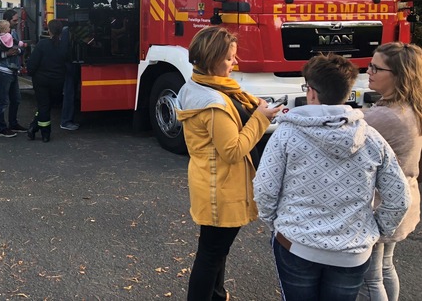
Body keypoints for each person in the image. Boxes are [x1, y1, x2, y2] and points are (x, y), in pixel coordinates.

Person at [254, 53, 410, 301]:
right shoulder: (371, 138)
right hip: (352, 252)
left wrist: (276, 223)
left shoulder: (286, 134)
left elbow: (265, 188)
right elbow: (399, 198)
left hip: (296, 243)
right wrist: (375, 230)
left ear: (312, 92)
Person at [175, 26, 280, 301]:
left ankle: (217, 296)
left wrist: (255, 108)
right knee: (211, 254)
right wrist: (261, 118)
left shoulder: (201, 84)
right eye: (230, 58)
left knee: (214, 251)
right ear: (211, 59)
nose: (236, 62)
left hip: (212, 182)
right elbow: (233, 151)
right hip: (220, 188)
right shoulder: (213, 103)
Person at [357, 43, 422, 301]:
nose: (368, 71)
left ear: (397, 75)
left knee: (369, 278)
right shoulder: (410, 107)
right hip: (402, 198)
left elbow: (344, 131)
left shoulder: (387, 116)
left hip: (380, 204)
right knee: (384, 267)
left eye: (376, 67)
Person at [0, 9, 27, 137]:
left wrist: (19, 52)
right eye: (14, 20)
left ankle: (13, 124)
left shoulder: (13, 33)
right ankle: (2, 128)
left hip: (12, 70)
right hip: (4, 71)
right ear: (7, 21)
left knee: (16, 99)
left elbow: (19, 49)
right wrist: (6, 54)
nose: (17, 22)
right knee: (3, 101)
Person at [26, 19, 66, 142]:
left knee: (44, 106)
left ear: (49, 30)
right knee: (47, 106)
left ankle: (44, 133)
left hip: (41, 81)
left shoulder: (42, 44)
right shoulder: (65, 46)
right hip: (58, 81)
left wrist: (31, 73)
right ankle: (34, 127)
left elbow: (32, 63)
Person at [59, 25, 79, 131]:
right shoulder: (68, 31)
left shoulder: (67, 30)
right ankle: (66, 121)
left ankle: (67, 120)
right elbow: (65, 52)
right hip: (69, 68)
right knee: (69, 94)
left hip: (70, 67)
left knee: (70, 93)